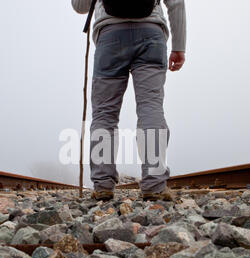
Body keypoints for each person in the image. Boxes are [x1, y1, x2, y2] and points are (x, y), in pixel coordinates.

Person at [71, 0, 187, 201]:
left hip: (110, 36)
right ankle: (155, 184)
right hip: (151, 33)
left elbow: (80, 6)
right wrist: (179, 46)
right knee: (151, 106)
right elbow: (176, 2)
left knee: (104, 113)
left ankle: (102, 185)